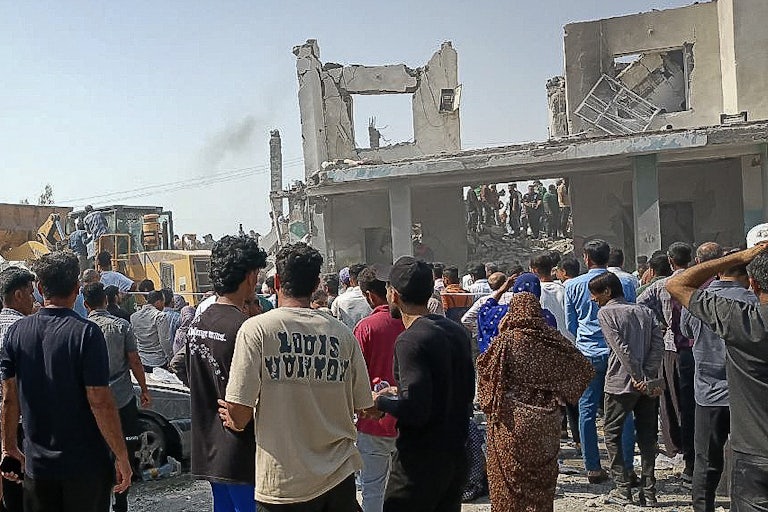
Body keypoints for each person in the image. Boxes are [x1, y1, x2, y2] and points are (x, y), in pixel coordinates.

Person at [219, 243, 373, 511]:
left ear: (277, 280)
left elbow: (240, 412)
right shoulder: (342, 335)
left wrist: (233, 418)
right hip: (338, 478)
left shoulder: (257, 330)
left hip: (283, 483)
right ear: (316, 285)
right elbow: (364, 404)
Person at [0, 251, 132, 512]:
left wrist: (9, 447)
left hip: (37, 466)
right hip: (85, 468)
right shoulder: (86, 333)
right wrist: (121, 455)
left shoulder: (17, 332)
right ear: (77, 289)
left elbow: (9, 397)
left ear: (39, 288)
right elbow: (100, 402)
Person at [666, 243, 768, 511]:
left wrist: (738, 257)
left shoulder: (730, 312)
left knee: (707, 462)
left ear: (754, 282)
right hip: (748, 409)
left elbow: (681, 299)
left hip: (710, 392)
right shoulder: (749, 305)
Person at [369, 256, 474, 512]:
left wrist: (380, 402)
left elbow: (416, 409)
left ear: (394, 295)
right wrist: (397, 392)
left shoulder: (410, 340)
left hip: (419, 464)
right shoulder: (456, 331)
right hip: (454, 457)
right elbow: (459, 390)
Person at [477, 292, 593, 512]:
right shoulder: (551, 339)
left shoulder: (507, 341)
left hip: (511, 424)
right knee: (542, 479)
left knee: (509, 480)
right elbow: (584, 368)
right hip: (547, 423)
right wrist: (562, 393)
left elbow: (485, 370)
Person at [188, 235, 267, 512]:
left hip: (209, 445)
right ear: (249, 276)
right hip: (240, 450)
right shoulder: (244, 328)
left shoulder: (198, 322)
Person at [680, 261, 753, 512]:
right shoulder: (754, 302)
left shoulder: (699, 300)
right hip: (747, 397)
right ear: (748, 275)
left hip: (708, 393)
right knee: (750, 460)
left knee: (706, 460)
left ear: (719, 271)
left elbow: (686, 330)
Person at [564, 240, 636, 483]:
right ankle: (625, 466)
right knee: (623, 410)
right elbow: (631, 315)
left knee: (587, 410)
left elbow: (571, 324)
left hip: (588, 352)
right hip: (619, 354)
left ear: (586, 258)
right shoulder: (626, 282)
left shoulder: (573, 285)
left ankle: (592, 467)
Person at [589, 272, 664, 506]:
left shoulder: (606, 313)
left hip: (619, 384)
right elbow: (657, 344)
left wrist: (637, 376)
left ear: (607, 292)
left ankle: (623, 489)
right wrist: (647, 377)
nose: (593, 299)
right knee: (647, 438)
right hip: (647, 386)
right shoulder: (644, 311)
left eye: (595, 294)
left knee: (612, 434)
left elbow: (620, 348)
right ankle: (649, 491)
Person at [83, 282, 151, 512]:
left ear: (85, 304)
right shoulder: (121, 326)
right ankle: (121, 500)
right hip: (121, 397)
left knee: (98, 451)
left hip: (91, 402)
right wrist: (144, 388)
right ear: (105, 300)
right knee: (125, 449)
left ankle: (101, 499)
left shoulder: (81, 328)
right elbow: (134, 360)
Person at [637, 242, 695, 480]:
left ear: (671, 261)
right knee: (691, 400)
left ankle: (675, 446)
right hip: (696, 346)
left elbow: (639, 304)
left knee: (670, 399)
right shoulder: (699, 281)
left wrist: (660, 323)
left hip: (670, 345)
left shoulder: (662, 285)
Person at [354, 267, 405, 512]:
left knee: (372, 489)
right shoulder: (410, 322)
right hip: (408, 418)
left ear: (370, 296)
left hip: (371, 420)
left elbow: (354, 374)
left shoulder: (366, 328)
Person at [0, 267, 36, 511]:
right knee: (24, 494)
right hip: (19, 425)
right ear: (19, 295)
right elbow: (13, 392)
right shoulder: (24, 330)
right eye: (31, 294)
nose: (34, 300)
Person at [461, 272, 512, 353]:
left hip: (488, 345)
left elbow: (466, 319)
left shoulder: (483, 301)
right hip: (510, 343)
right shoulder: (515, 298)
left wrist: (482, 329)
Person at [531, 253, 573, 342]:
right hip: (568, 340)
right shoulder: (564, 289)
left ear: (534, 270)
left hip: (547, 342)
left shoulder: (535, 292)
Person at [131, 290, 172, 372]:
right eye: (162, 302)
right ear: (158, 302)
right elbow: (164, 340)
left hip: (141, 359)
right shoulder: (160, 316)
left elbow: (134, 338)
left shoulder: (133, 316)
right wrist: (170, 357)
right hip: (158, 361)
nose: (164, 305)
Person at [331, 263, 373, 329]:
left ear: (351, 281)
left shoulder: (339, 300)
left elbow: (334, 322)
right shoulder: (374, 297)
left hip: (348, 337)